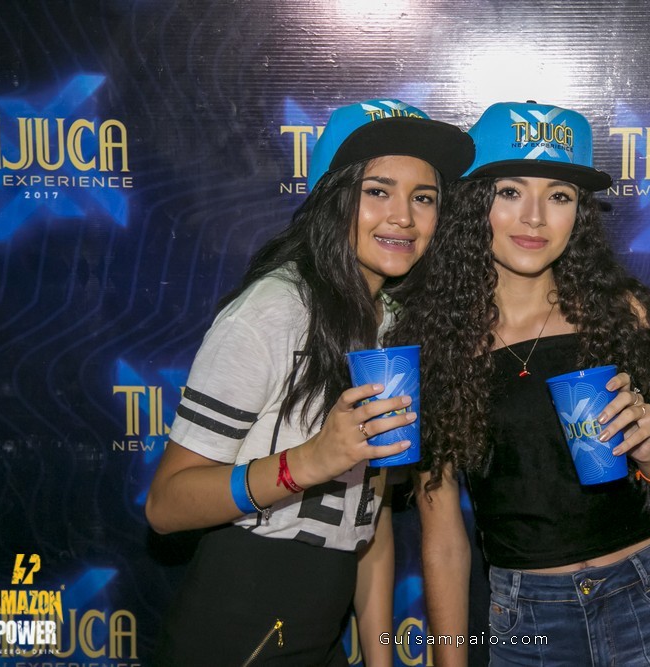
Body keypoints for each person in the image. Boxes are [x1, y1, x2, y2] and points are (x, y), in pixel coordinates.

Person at [388, 101, 650, 666]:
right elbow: (442, 541)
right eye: (510, 192)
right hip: (529, 617)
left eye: (559, 196)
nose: (535, 218)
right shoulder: (436, 344)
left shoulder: (621, 316)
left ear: (579, 214)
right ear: (474, 204)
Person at [145, 99, 474, 666]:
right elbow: (165, 505)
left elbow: (367, 518)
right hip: (237, 630)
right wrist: (308, 461)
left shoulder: (393, 323)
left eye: (424, 197)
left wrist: (380, 659)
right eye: (378, 191)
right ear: (332, 196)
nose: (403, 216)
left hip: (323, 632)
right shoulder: (273, 309)